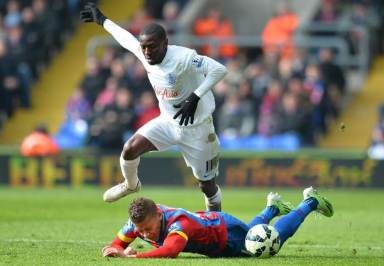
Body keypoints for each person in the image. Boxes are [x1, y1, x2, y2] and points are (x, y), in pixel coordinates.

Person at [80, 3, 227, 210]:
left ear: (165, 43)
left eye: (152, 46)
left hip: (198, 129)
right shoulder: (144, 54)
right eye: (144, 47)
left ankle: (217, 225)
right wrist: (103, 20)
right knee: (130, 149)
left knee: (207, 186)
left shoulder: (184, 58)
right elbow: (126, 39)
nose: (147, 51)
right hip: (168, 122)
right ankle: (131, 185)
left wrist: (195, 97)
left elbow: (219, 70)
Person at [101, 186, 333, 258]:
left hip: (224, 234)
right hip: (214, 225)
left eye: (148, 229)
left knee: (269, 244)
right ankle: (273, 207)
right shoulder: (140, 222)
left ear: (159, 217)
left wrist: (130, 257)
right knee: (253, 233)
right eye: (140, 231)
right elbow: (117, 243)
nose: (145, 235)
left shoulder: (179, 225)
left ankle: (310, 202)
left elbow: (171, 251)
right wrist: (119, 248)